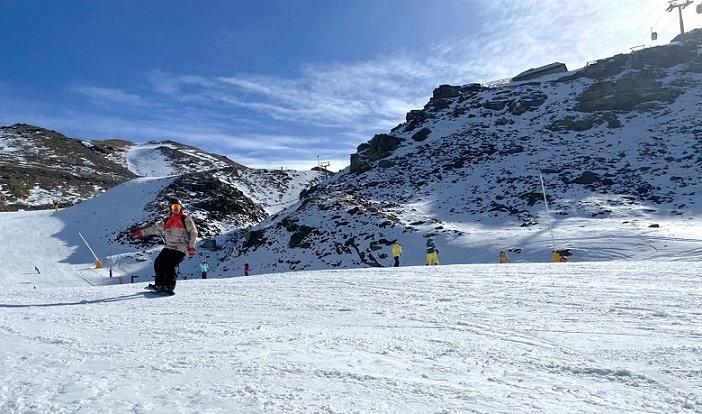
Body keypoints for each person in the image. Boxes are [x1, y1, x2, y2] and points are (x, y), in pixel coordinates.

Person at [129, 198, 198, 295]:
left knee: (171, 265)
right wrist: (141, 232)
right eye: (174, 207)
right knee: (159, 263)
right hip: (169, 246)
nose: (176, 209)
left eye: (177, 207)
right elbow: (155, 229)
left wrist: (191, 246)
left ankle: (169, 287)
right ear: (170, 208)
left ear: (180, 207)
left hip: (180, 246)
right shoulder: (167, 221)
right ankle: (160, 285)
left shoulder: (185, 219)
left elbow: (193, 232)